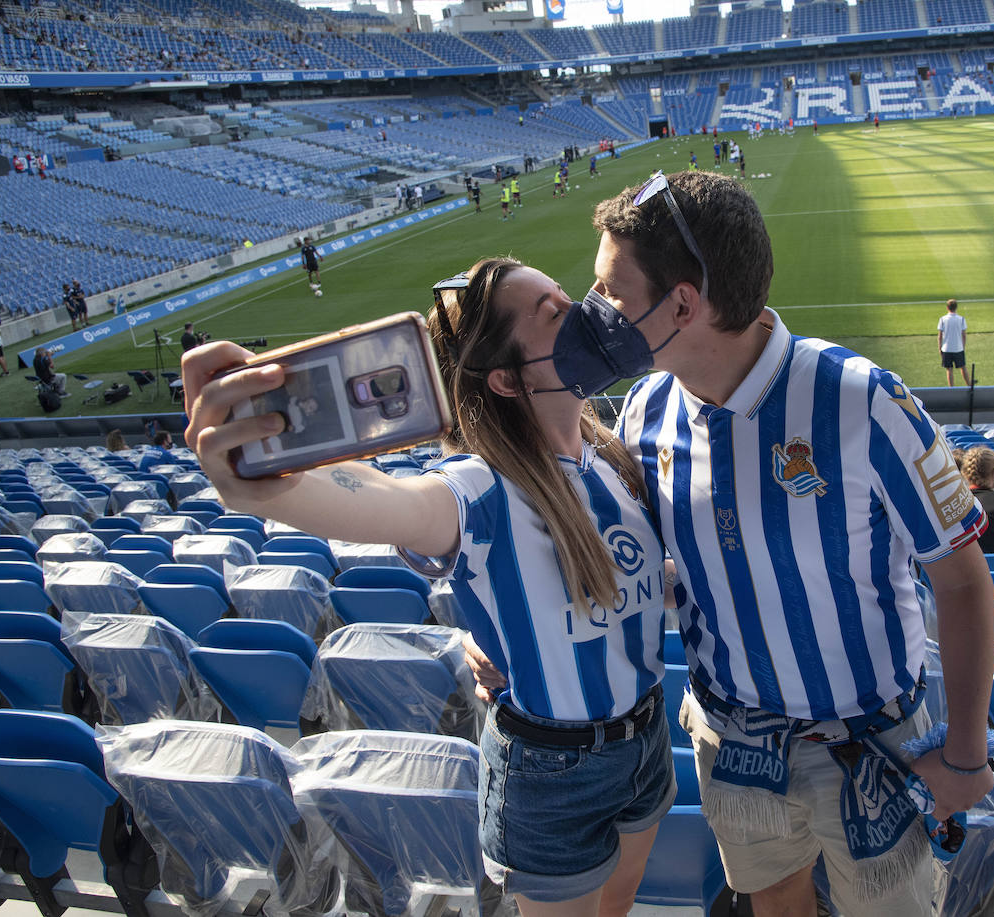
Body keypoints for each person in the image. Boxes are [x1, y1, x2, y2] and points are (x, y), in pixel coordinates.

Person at [181, 257, 676, 917]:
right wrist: (273, 480)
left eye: (564, 295)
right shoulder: (480, 486)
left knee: (622, 899)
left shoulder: (612, 456)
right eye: (552, 313)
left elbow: (645, 587)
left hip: (645, 739)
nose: (582, 314)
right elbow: (393, 501)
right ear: (506, 378)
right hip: (555, 775)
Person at [560, 171, 994, 916]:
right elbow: (644, 573)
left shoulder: (863, 400)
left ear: (684, 303)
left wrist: (965, 752)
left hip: (875, 747)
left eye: (611, 290)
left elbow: (961, 581)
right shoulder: (645, 409)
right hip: (734, 741)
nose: (596, 308)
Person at [937, 298, 970, 387]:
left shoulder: (942, 319)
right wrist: (963, 346)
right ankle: (970, 385)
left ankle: (951, 388)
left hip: (946, 349)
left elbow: (939, 336)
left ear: (947, 308)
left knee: (949, 370)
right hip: (958, 348)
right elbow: (964, 335)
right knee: (963, 367)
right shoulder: (961, 319)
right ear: (956, 307)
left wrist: (939, 348)